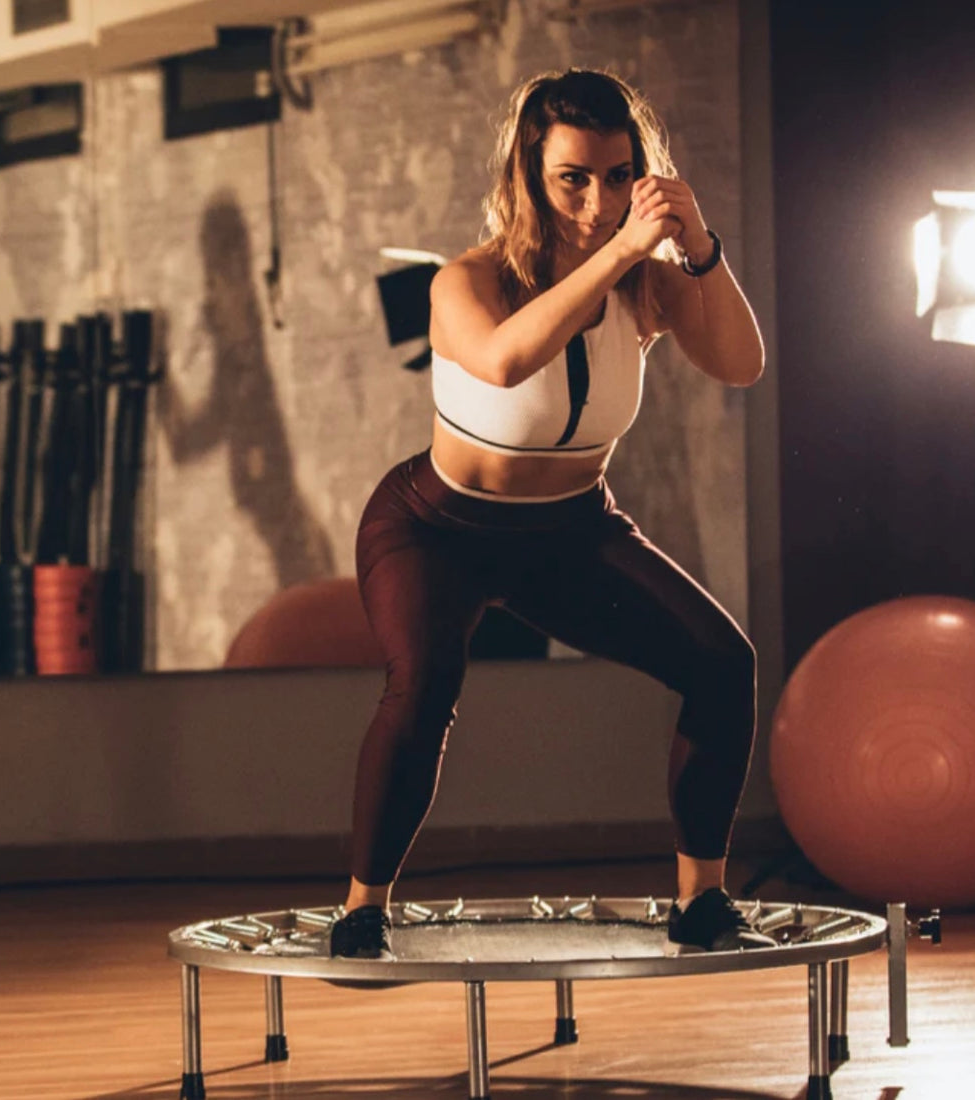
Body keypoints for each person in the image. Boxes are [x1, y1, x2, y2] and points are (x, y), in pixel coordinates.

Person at [330, 68, 775, 960]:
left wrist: (699, 247)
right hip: (434, 528)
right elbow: (503, 362)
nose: (597, 200)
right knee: (423, 690)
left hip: (570, 533)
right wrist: (618, 254)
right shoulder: (468, 280)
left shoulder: (647, 282)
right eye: (573, 177)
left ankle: (701, 899)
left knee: (724, 665)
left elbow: (740, 365)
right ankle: (361, 907)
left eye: (618, 177)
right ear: (529, 176)